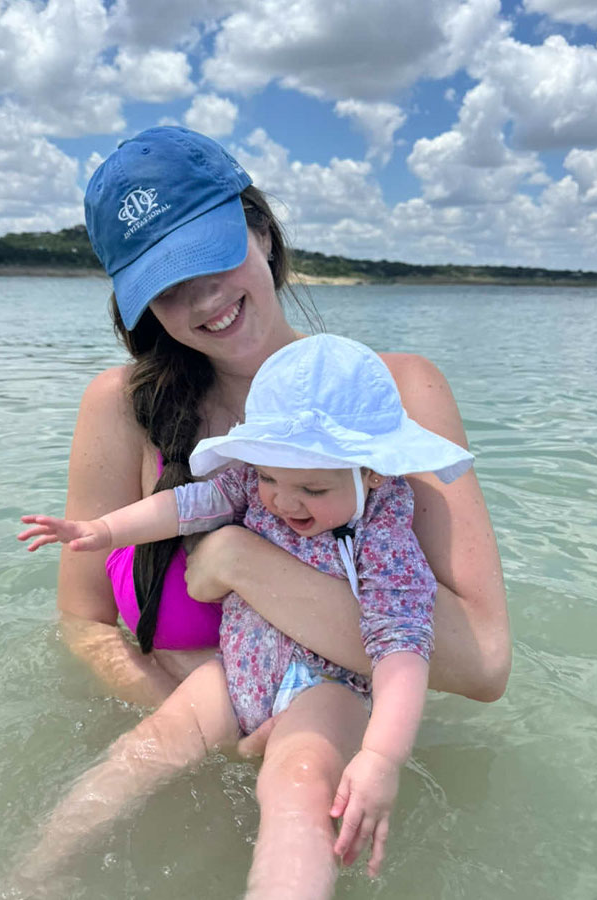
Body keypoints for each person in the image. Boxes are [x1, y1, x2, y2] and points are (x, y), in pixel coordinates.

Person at [52, 125, 509, 896]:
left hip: (337, 768)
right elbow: (83, 622)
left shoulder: (398, 401)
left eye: (211, 257)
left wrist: (241, 563)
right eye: (166, 287)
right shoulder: (121, 407)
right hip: (194, 758)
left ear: (260, 229)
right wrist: (196, 722)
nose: (202, 302)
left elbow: (484, 662)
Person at [19, 333, 474, 888]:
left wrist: (380, 759)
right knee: (145, 749)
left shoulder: (385, 539)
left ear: (372, 472)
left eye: (311, 487)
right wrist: (105, 529)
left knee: (298, 785)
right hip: (237, 670)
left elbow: (402, 650)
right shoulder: (258, 483)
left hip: (328, 688)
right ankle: (32, 873)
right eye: (268, 478)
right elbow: (187, 505)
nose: (282, 500)